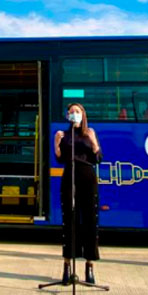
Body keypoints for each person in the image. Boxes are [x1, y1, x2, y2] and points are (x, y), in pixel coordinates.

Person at [54, 103, 102, 284]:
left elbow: (98, 158)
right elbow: (59, 159)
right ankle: (67, 266)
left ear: (83, 114)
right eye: (71, 112)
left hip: (87, 177)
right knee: (70, 221)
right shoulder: (63, 135)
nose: (73, 114)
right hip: (69, 178)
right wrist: (56, 144)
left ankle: (90, 266)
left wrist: (94, 142)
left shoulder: (90, 133)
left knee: (90, 221)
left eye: (77, 111)